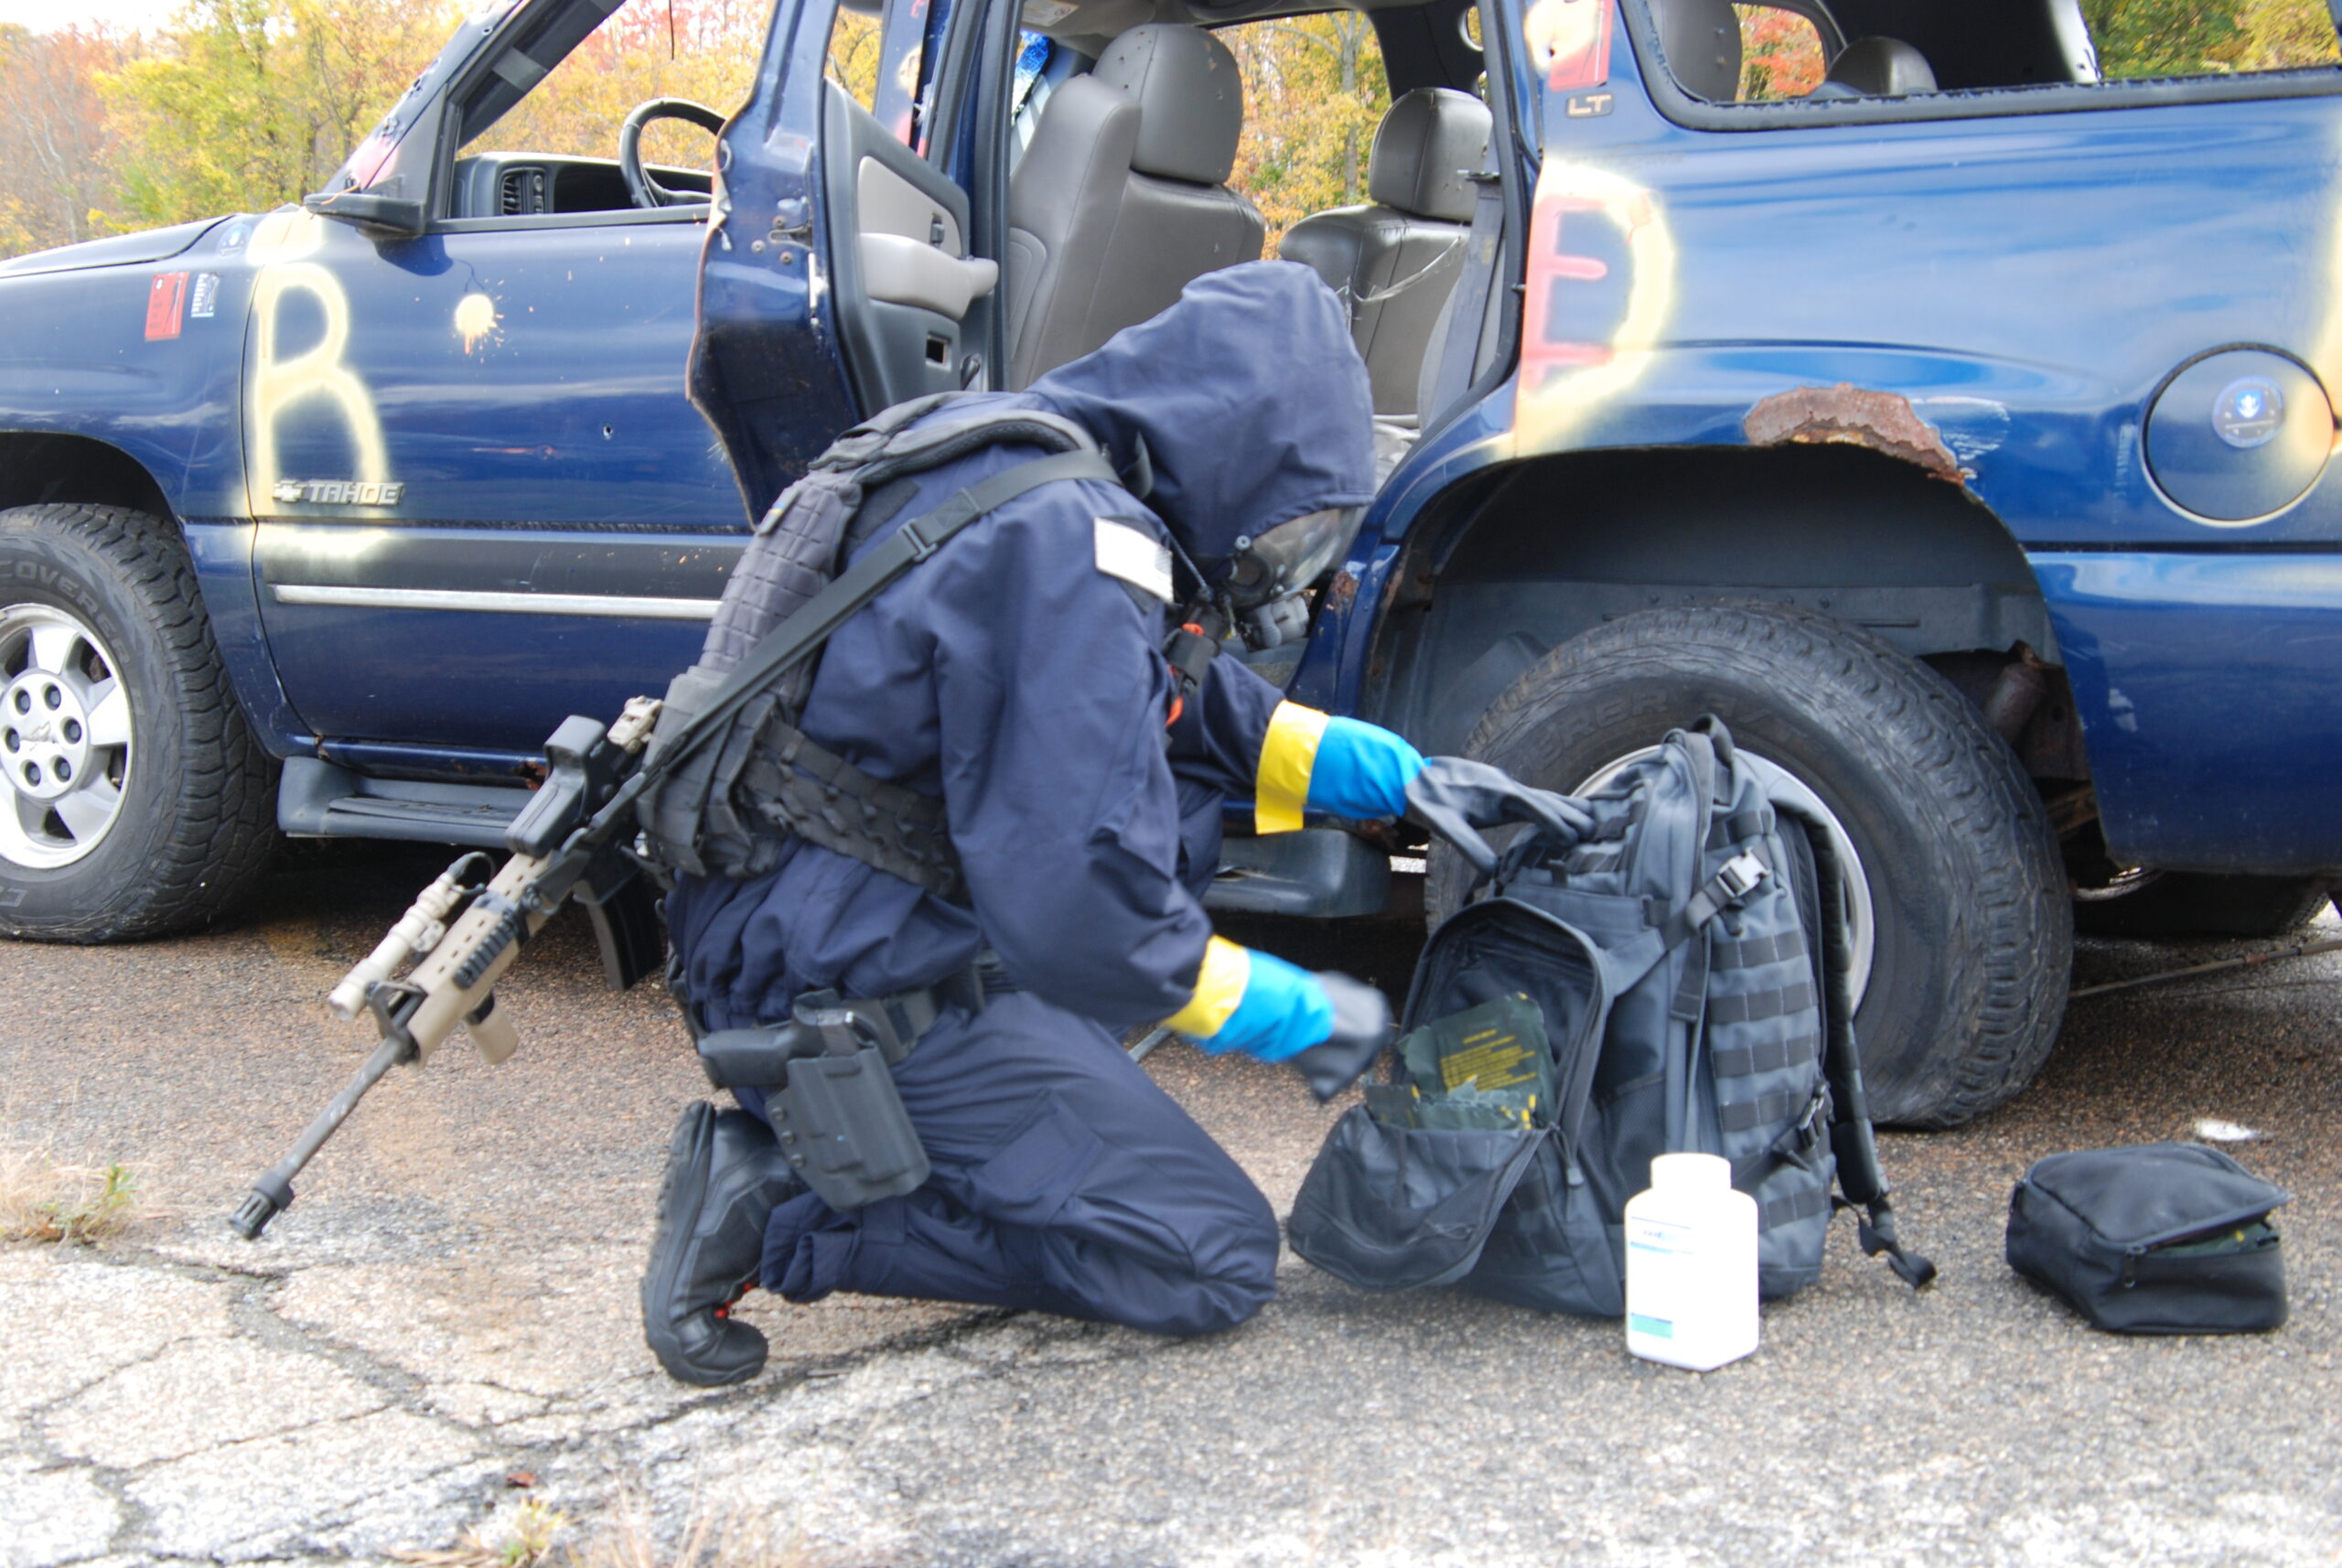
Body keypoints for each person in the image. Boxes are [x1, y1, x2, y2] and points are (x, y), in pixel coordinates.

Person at [641, 262, 1581, 1385]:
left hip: (812, 920)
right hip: (843, 984)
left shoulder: (1020, 461)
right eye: (1282, 528)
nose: (1274, 571)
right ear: (1232, 447)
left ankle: (920, 1143)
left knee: (1103, 1054)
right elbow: (1083, 910)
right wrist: (1292, 1015)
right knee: (1209, 1254)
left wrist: (1400, 780)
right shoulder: (1073, 546)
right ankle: (784, 1209)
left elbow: (1179, 700)